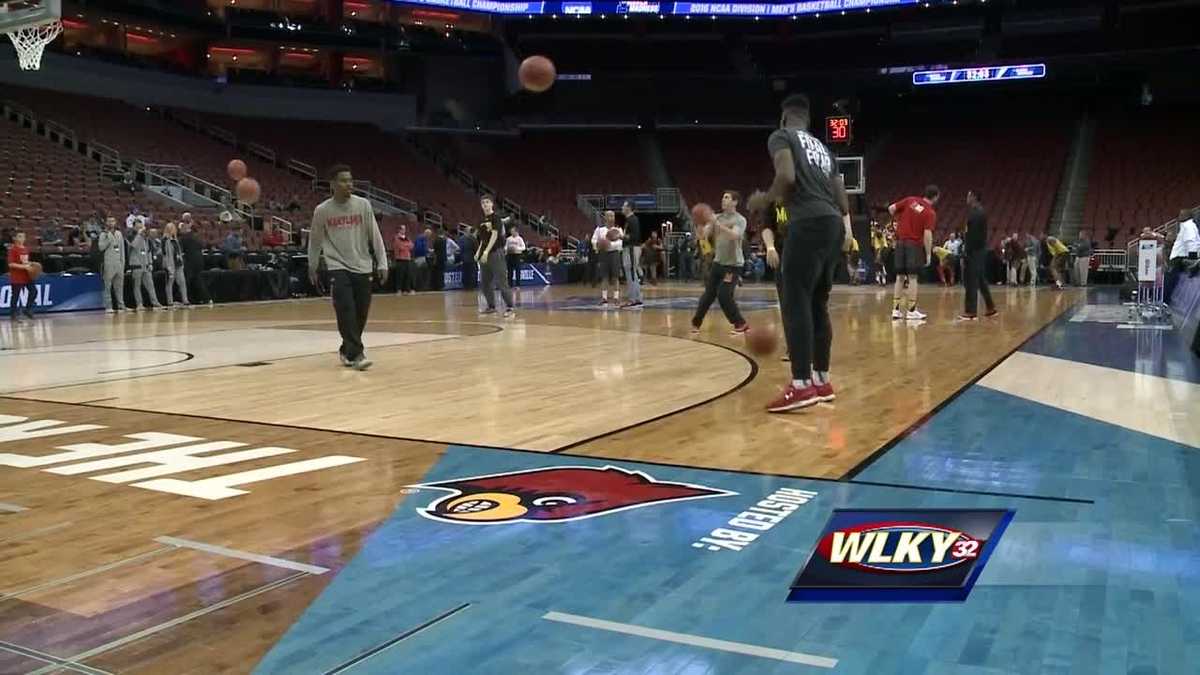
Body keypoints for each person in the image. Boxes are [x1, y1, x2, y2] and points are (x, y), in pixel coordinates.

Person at [748, 93, 851, 412]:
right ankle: (822, 381)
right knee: (818, 302)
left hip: (806, 222)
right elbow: (842, 197)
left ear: (784, 118)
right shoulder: (824, 149)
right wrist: (847, 230)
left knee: (795, 301)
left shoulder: (781, 136)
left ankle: (801, 385)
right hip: (833, 223)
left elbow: (787, 176)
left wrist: (764, 200)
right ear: (807, 120)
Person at [306, 164, 389, 371]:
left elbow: (375, 235)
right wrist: (312, 265)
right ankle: (358, 354)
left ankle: (346, 350)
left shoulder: (363, 205)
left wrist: (383, 262)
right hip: (337, 265)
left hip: (362, 265)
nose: (349, 184)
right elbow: (315, 242)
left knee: (360, 313)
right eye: (343, 180)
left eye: (351, 180)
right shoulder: (322, 211)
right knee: (346, 310)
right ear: (333, 184)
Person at [691, 191, 749, 335]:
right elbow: (704, 235)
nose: (723, 199)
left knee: (723, 294)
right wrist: (699, 226)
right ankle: (696, 322)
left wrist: (717, 224)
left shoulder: (740, 220)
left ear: (735, 202)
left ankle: (740, 323)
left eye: (727, 197)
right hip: (718, 263)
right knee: (708, 294)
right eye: (723, 197)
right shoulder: (716, 217)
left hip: (733, 265)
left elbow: (734, 236)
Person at [888, 185, 938, 320]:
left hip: (900, 243)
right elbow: (927, 235)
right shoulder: (930, 212)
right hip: (914, 245)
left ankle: (895, 310)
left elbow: (891, 208)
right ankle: (911, 310)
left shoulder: (911, 200)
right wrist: (928, 254)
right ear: (936, 197)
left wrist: (900, 220)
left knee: (899, 277)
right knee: (912, 278)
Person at [958, 190, 997, 321]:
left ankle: (971, 312)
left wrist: (966, 252)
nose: (966, 198)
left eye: (968, 195)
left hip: (974, 251)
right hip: (979, 250)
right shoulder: (979, 212)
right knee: (980, 279)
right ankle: (990, 307)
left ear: (974, 197)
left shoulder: (976, 214)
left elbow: (972, 236)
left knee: (971, 281)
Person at [476, 195, 516, 317]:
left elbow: (494, 236)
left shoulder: (496, 218)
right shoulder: (481, 221)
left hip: (495, 252)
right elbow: (483, 239)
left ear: (492, 204)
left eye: (487, 202)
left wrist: (487, 251)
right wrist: (478, 252)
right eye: (483, 203)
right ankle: (491, 306)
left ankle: (510, 307)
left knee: (501, 281)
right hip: (484, 254)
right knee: (485, 282)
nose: (485, 205)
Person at [128, 220, 163, 311]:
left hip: (146, 265)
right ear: (134, 227)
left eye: (141, 227)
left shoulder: (146, 238)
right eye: (138, 227)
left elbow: (149, 251)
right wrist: (139, 235)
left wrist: (150, 263)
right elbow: (133, 245)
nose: (140, 229)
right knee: (137, 286)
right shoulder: (131, 236)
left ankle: (155, 302)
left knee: (150, 285)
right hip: (136, 265)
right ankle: (139, 304)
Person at [98, 217, 128, 314]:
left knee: (119, 286)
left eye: (113, 221)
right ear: (106, 223)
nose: (111, 223)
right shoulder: (104, 234)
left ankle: (121, 305)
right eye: (109, 221)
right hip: (109, 263)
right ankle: (108, 306)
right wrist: (108, 238)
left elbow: (122, 249)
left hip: (119, 263)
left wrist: (123, 262)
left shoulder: (119, 233)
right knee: (108, 285)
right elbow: (101, 247)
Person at [178, 215, 210, 306]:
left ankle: (186, 299)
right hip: (199, 260)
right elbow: (202, 246)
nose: (179, 231)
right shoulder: (195, 236)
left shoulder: (183, 238)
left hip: (190, 262)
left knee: (187, 280)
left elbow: (180, 251)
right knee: (197, 280)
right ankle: (205, 299)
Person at [592, 211, 621, 306]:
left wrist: (610, 245)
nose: (611, 217)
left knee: (615, 277)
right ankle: (604, 298)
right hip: (603, 254)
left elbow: (620, 244)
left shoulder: (618, 229)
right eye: (609, 215)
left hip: (614, 254)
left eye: (612, 216)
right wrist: (597, 244)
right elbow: (594, 240)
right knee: (604, 277)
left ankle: (616, 298)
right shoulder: (599, 229)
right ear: (605, 217)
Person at [6, 231, 35, 322]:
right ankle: (13, 314)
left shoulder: (26, 249)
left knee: (33, 291)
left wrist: (31, 265)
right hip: (17, 276)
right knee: (15, 296)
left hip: (26, 276)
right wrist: (23, 266)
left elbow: (25, 262)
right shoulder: (13, 249)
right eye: (19, 236)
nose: (21, 238)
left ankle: (27, 309)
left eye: (23, 237)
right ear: (15, 238)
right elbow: (11, 264)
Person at [619, 201, 644, 309]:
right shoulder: (631, 220)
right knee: (632, 273)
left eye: (624, 206)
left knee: (631, 274)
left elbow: (634, 236)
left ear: (629, 208)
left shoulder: (632, 220)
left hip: (631, 248)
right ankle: (637, 298)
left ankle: (632, 299)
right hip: (631, 248)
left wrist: (620, 236)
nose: (622, 207)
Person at [162, 221, 190, 309]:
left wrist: (181, 261)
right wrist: (168, 267)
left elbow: (178, 252)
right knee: (170, 282)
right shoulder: (165, 240)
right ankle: (170, 301)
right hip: (170, 264)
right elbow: (165, 254)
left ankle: (185, 300)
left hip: (178, 264)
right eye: (173, 229)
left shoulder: (175, 240)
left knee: (182, 282)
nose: (175, 230)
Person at [392, 224, 415, 295]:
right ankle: (399, 290)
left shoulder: (407, 238)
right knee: (400, 275)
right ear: (399, 230)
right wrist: (406, 245)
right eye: (402, 229)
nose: (404, 230)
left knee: (408, 275)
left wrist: (406, 245)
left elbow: (412, 246)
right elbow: (400, 246)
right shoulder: (396, 238)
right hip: (400, 259)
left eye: (404, 229)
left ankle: (407, 290)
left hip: (407, 259)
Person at [505, 225, 526, 289]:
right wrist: (507, 249)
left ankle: (518, 285)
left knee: (517, 270)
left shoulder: (520, 239)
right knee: (510, 271)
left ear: (516, 231)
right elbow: (505, 247)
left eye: (513, 231)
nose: (512, 232)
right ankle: (510, 284)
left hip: (517, 255)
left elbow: (524, 247)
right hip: (510, 255)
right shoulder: (508, 239)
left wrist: (516, 248)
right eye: (511, 231)